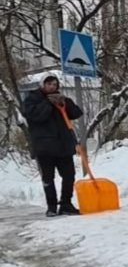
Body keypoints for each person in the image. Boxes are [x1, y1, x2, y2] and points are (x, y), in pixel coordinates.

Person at [21, 73, 83, 217]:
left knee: (69, 175)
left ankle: (66, 204)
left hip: (63, 145)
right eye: (48, 84)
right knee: (48, 178)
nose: (52, 87)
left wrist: (64, 103)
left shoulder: (60, 98)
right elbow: (36, 116)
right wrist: (48, 103)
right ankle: (52, 207)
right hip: (44, 147)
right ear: (42, 85)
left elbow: (76, 113)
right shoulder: (32, 99)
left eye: (54, 84)